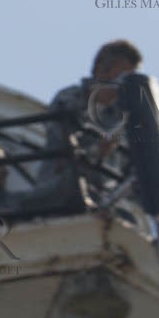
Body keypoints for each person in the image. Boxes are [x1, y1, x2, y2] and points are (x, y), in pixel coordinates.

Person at [38, 40, 143, 207]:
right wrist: (97, 151)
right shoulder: (69, 98)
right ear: (101, 70)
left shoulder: (122, 117)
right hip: (59, 193)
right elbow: (62, 141)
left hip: (105, 203)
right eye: (122, 76)